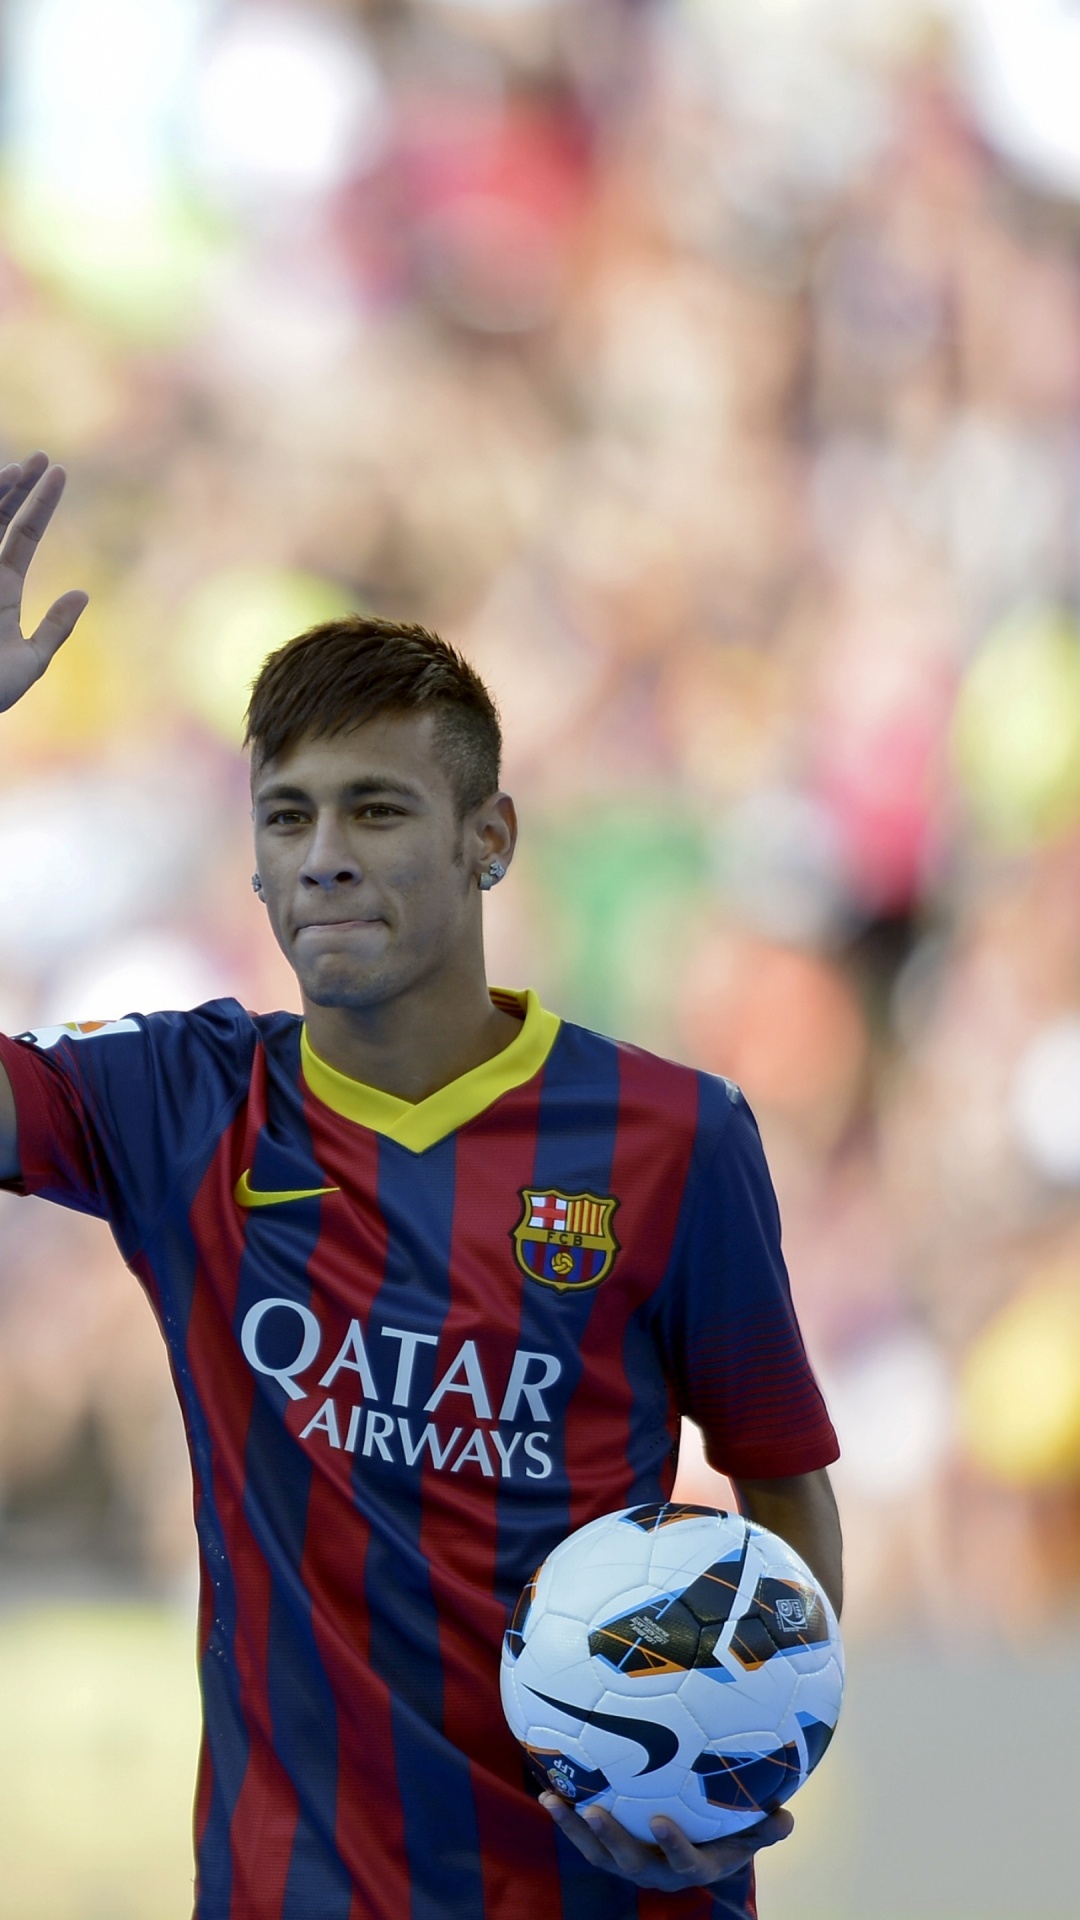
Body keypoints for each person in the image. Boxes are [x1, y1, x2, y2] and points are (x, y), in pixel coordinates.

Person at [0, 452, 842, 1920]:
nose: (325, 860)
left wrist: (757, 1763)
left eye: (379, 811)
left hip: (620, 1895)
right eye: (288, 819)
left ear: (489, 839)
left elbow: (781, 1476)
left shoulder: (674, 1136)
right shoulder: (177, 1107)